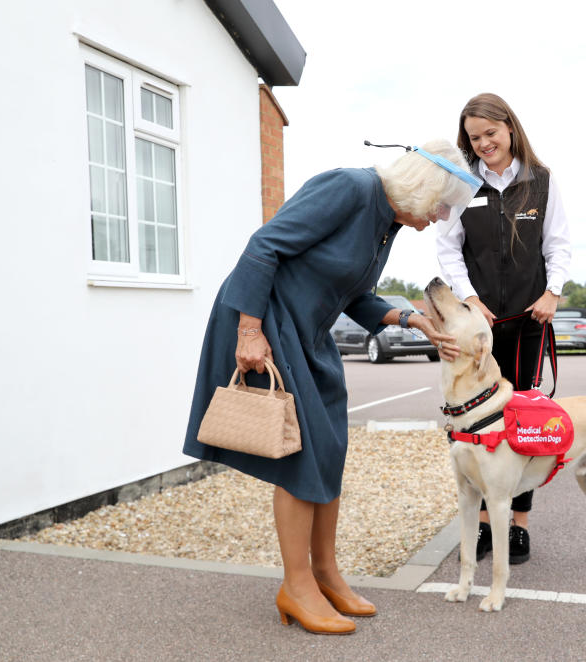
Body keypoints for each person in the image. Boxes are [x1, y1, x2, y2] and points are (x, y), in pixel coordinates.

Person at [183, 140, 474, 635]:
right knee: (301, 456)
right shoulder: (351, 187)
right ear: (424, 187)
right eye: (443, 204)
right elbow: (264, 246)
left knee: (330, 446)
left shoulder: (387, 223)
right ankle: (296, 587)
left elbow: (355, 295)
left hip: (310, 333)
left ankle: (324, 573)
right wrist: (249, 331)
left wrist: (409, 318)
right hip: (268, 323)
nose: (443, 216)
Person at [437, 92, 572, 565]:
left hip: (528, 319)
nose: (484, 143)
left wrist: (552, 292)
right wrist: (470, 300)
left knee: (520, 419)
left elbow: (557, 244)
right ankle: (478, 527)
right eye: (474, 138)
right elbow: (448, 249)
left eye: (490, 133)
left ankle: (517, 525)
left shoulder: (542, 182)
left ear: (509, 128)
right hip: (479, 326)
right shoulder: (461, 185)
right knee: (473, 419)